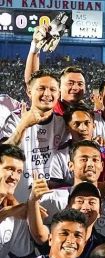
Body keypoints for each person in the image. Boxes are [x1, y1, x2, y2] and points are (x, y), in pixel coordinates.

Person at [1, 70, 67, 202]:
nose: (47, 94)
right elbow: (3, 155)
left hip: (51, 204)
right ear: (29, 92)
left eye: (53, 89)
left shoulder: (63, 124)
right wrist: (23, 126)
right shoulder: (15, 119)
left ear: (59, 94)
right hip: (17, 202)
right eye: (41, 88)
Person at [0, 144, 37, 258]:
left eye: (19, 172)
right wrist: (5, 214)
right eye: (9, 169)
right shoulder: (13, 211)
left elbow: (25, 255)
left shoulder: (16, 214)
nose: (14, 177)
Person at [49, 104, 96, 188]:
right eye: (76, 124)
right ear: (67, 127)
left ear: (94, 126)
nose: (83, 128)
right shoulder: (59, 156)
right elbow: (55, 190)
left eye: (87, 123)